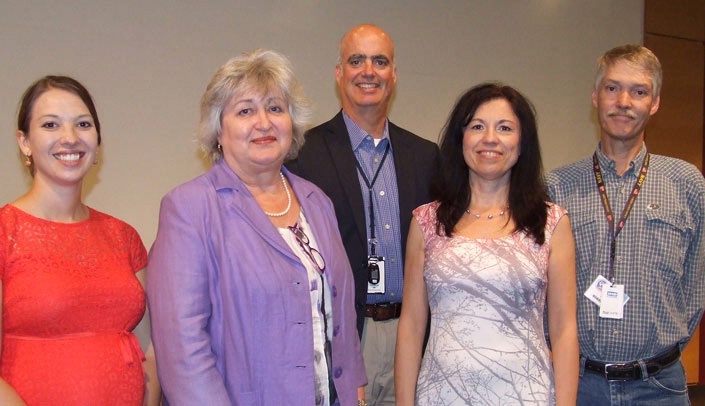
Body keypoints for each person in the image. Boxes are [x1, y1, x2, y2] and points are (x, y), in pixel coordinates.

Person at [147, 49, 366, 405]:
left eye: (275, 108)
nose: (263, 122)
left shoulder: (316, 201)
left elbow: (340, 308)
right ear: (219, 129)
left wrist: (354, 383)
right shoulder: (190, 209)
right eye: (245, 110)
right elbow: (182, 348)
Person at [396, 83, 579, 405]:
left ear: (522, 143)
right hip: (441, 395)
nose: (490, 138)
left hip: (527, 395)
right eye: (477, 126)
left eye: (505, 128)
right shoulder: (426, 222)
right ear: (460, 139)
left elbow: (564, 330)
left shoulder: (552, 223)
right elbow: (411, 327)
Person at [287, 24, 439, 405]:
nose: (368, 71)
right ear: (339, 73)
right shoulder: (303, 155)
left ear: (394, 75)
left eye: (380, 61)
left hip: (413, 334)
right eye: (356, 60)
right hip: (345, 336)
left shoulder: (425, 156)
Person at [547, 44, 705, 405]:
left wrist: (666, 349)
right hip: (580, 384)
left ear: (655, 103)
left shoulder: (687, 182)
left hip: (660, 387)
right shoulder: (558, 186)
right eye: (612, 88)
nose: (624, 101)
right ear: (595, 96)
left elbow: (697, 284)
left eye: (639, 91)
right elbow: (543, 289)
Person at [0, 76, 160, 405]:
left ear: (97, 140)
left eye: (83, 124)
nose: (70, 138)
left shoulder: (123, 237)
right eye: (50, 125)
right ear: (24, 142)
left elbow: (151, 349)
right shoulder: (5, 231)